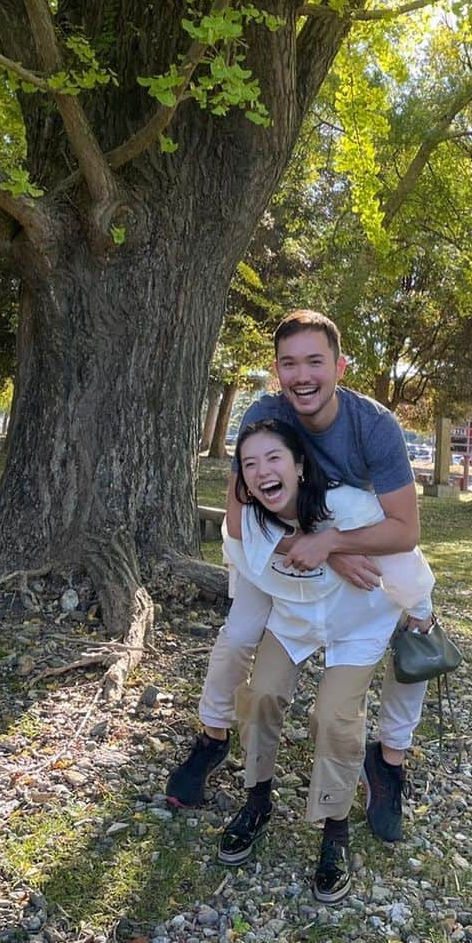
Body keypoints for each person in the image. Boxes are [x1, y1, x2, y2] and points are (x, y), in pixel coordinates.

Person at [167, 310, 428, 842]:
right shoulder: (266, 418)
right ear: (276, 371)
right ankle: (214, 736)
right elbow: (241, 521)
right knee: (239, 638)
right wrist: (320, 551)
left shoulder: (374, 426)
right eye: (290, 364)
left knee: (416, 629)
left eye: (315, 361)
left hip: (361, 533)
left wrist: (332, 542)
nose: (302, 375)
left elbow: (404, 529)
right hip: (285, 550)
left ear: (340, 365)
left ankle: (390, 761)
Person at [219, 420, 435, 901]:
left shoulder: (349, 506)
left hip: (359, 622)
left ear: (299, 465)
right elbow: (238, 549)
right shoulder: (250, 520)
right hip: (295, 620)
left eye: (273, 459)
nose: (262, 472)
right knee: (261, 697)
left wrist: (419, 609)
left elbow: (402, 551)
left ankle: (334, 830)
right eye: (249, 466)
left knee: (335, 717)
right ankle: (257, 801)